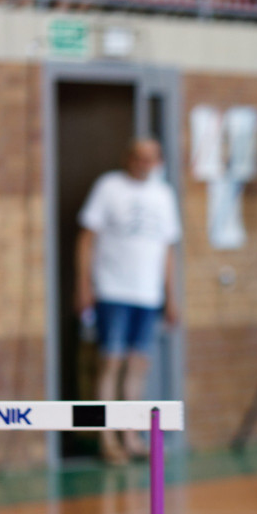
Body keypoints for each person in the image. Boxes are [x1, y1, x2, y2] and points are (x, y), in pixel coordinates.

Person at [76, 138, 182, 465]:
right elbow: (87, 238)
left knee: (138, 366)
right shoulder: (109, 187)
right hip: (112, 290)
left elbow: (168, 249)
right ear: (128, 159)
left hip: (147, 293)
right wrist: (83, 285)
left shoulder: (164, 195)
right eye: (139, 157)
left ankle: (132, 436)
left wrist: (170, 295)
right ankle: (107, 438)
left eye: (151, 159)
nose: (144, 164)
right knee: (110, 363)